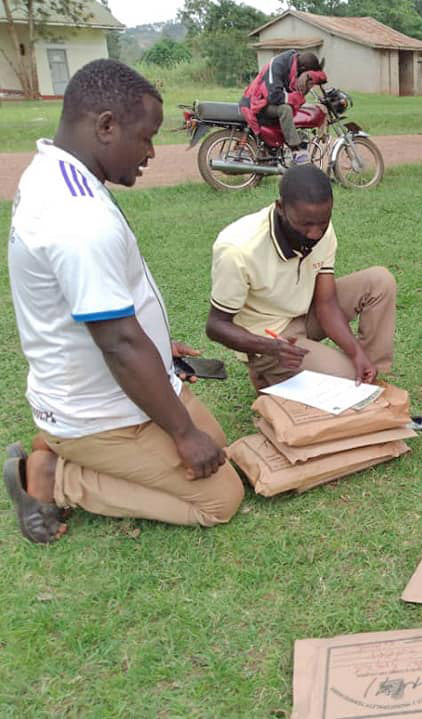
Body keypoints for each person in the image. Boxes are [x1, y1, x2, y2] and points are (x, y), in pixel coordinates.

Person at [4, 60, 244, 544]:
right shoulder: (78, 219)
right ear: (107, 126)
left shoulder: (56, 172)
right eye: (147, 136)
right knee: (221, 497)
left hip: (113, 387)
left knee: (218, 447)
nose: (152, 151)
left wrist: (160, 347)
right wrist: (181, 434)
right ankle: (56, 475)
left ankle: (65, 448)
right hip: (97, 412)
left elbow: (104, 314)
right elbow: (117, 342)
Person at [206, 164, 396, 389]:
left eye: (322, 223)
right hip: (270, 338)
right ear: (281, 208)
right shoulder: (238, 249)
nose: (315, 234)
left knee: (379, 282)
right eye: (305, 225)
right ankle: (265, 373)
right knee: (345, 382)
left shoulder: (318, 224)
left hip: (305, 313)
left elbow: (326, 303)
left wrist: (356, 352)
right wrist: (269, 348)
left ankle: (370, 376)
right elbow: (216, 326)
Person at [240, 49, 323, 165]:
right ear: (302, 69)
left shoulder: (295, 62)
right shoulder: (278, 65)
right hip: (256, 103)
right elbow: (274, 96)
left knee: (299, 110)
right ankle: (296, 150)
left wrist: (309, 76)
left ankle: (281, 148)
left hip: (268, 102)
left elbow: (321, 75)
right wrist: (295, 98)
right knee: (285, 109)